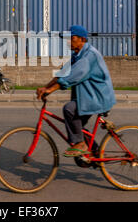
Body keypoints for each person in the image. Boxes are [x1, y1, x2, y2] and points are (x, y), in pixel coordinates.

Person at [36, 25, 116, 157]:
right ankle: (95, 153)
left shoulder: (89, 56)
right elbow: (62, 73)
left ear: (82, 39)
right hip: (88, 97)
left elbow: (73, 76)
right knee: (77, 127)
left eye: (71, 38)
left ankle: (81, 145)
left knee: (69, 109)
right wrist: (45, 87)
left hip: (97, 97)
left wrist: (50, 90)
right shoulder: (77, 55)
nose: (68, 42)